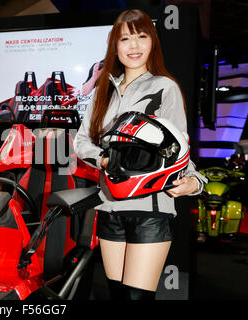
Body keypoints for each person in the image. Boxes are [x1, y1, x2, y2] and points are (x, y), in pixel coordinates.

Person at [73, 9, 207, 300]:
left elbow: (177, 148)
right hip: (108, 206)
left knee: (137, 298)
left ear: (152, 42)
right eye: (125, 39)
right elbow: (82, 141)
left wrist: (196, 181)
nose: (133, 46)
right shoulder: (101, 92)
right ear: (115, 46)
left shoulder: (164, 87)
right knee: (117, 294)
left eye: (141, 36)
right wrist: (105, 160)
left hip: (151, 209)